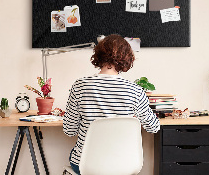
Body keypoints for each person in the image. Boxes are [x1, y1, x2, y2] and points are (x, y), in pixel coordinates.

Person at [63, 34, 160, 174]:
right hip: (124, 166)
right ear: (126, 58)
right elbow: (153, 127)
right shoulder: (135, 91)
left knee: (77, 154)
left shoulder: (80, 86)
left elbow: (69, 130)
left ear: (98, 55)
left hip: (86, 167)